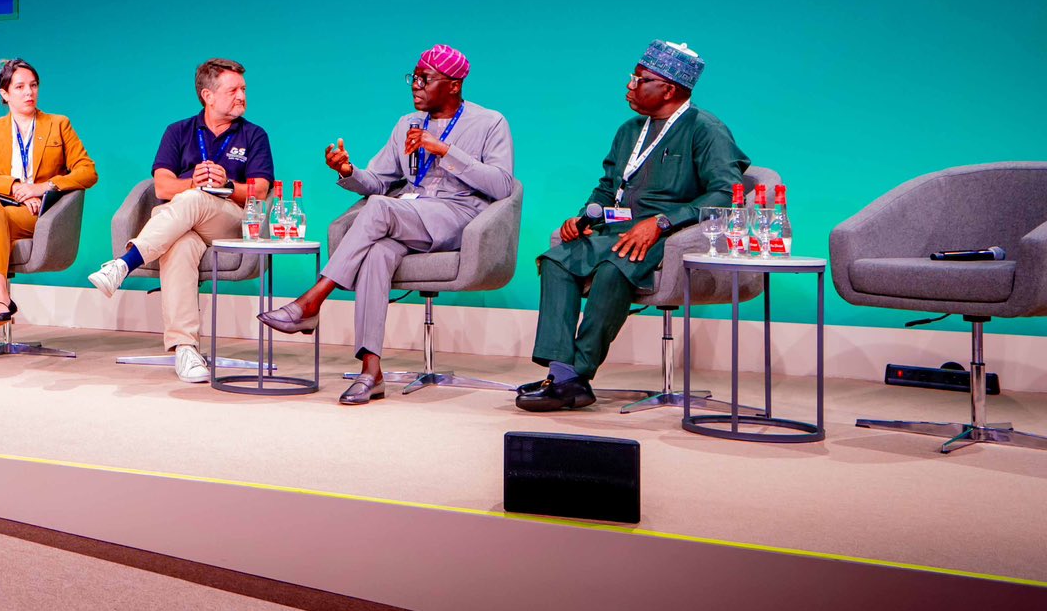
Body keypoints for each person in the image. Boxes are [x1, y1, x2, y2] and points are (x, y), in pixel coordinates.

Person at [256, 45, 515, 406]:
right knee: (377, 252)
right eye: (414, 77)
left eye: (426, 79)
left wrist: (444, 150)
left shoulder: (490, 123)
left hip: (460, 217)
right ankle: (371, 372)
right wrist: (347, 171)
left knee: (381, 209)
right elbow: (379, 181)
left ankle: (312, 301)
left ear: (454, 85)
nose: (416, 85)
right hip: (411, 216)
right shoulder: (406, 124)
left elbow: (503, 185)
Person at [516, 40, 748, 412]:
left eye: (640, 79)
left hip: (670, 232)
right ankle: (562, 375)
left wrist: (661, 222)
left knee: (614, 268)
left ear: (668, 89)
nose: (630, 86)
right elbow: (608, 187)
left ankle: (577, 374)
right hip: (617, 227)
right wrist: (585, 217)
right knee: (557, 259)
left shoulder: (706, 130)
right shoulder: (629, 130)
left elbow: (725, 195)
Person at [88, 58, 274, 383]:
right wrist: (193, 182)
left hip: (228, 221)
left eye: (243, 89)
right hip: (182, 223)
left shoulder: (254, 135)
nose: (242, 96)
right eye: (233, 90)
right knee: (182, 244)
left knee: (196, 199)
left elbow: (260, 190)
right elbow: (161, 186)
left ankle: (124, 263)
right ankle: (185, 349)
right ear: (208, 95)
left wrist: (225, 186)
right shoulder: (178, 132)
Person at [0, 59, 98, 367]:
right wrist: (15, 187)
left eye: (33, 85)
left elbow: (87, 172)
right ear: (5, 94)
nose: (29, 93)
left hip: (25, 216)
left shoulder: (58, 124)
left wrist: (42, 188)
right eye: (20, 87)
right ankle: (0, 295)